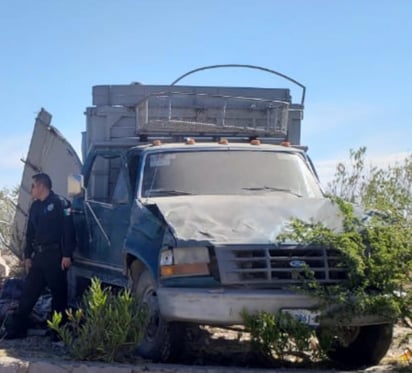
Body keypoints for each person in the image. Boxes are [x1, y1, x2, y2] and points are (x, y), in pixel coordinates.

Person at [3, 173, 76, 339]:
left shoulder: (61, 203)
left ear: (42, 186)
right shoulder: (35, 207)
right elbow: (30, 233)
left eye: (33, 186)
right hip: (39, 257)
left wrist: (67, 255)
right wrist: (27, 255)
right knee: (29, 292)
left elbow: (68, 230)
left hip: (56, 255)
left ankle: (58, 330)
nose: (31, 190)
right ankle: (17, 328)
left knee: (58, 295)